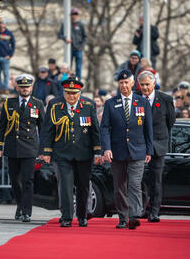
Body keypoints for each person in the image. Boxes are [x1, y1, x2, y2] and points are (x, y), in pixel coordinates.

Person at [42, 76, 101, 227]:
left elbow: (95, 130)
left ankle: (82, 216)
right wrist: (46, 152)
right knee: (66, 185)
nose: (71, 96)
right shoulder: (54, 105)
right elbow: (47, 129)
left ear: (79, 92)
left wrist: (98, 151)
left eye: (74, 93)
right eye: (68, 93)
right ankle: (67, 216)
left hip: (84, 153)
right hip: (62, 153)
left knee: (83, 186)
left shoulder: (89, 105)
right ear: (63, 92)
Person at [100, 69, 153, 229]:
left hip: (138, 150)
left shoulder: (142, 102)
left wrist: (149, 150)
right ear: (118, 84)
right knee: (120, 186)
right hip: (117, 152)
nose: (124, 85)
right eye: (121, 83)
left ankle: (135, 215)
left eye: (126, 82)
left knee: (135, 184)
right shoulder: (110, 103)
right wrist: (106, 148)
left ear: (132, 83)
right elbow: (105, 128)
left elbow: (148, 128)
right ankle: (123, 217)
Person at [0, 74, 45, 222]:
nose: (24, 89)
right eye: (22, 87)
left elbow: (43, 128)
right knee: (14, 181)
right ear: (17, 88)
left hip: (30, 148)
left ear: (31, 88)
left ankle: (26, 211)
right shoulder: (8, 103)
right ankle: (20, 205)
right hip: (12, 147)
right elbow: (1, 126)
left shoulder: (38, 104)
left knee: (28, 180)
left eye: (27, 87)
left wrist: (43, 150)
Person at [137, 70, 175, 222]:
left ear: (153, 83)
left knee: (155, 180)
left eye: (147, 84)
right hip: (139, 146)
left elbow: (171, 122)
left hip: (158, 146)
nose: (145, 87)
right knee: (138, 179)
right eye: (142, 85)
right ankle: (141, 208)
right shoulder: (136, 98)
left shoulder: (165, 99)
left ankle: (154, 211)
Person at [57, 7, 87, 79]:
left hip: (78, 49)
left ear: (78, 15)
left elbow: (85, 37)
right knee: (68, 67)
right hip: (69, 49)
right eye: (73, 14)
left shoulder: (80, 25)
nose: (74, 15)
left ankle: (78, 83)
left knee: (78, 68)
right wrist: (65, 38)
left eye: (76, 14)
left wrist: (81, 47)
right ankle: (68, 82)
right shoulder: (66, 24)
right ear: (70, 15)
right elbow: (59, 35)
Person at [0, 18, 15, 94]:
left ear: (5, 24)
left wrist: (10, 55)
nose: (0, 24)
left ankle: (6, 88)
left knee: (6, 74)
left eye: (2, 23)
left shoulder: (9, 33)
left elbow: (13, 45)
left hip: (5, 57)